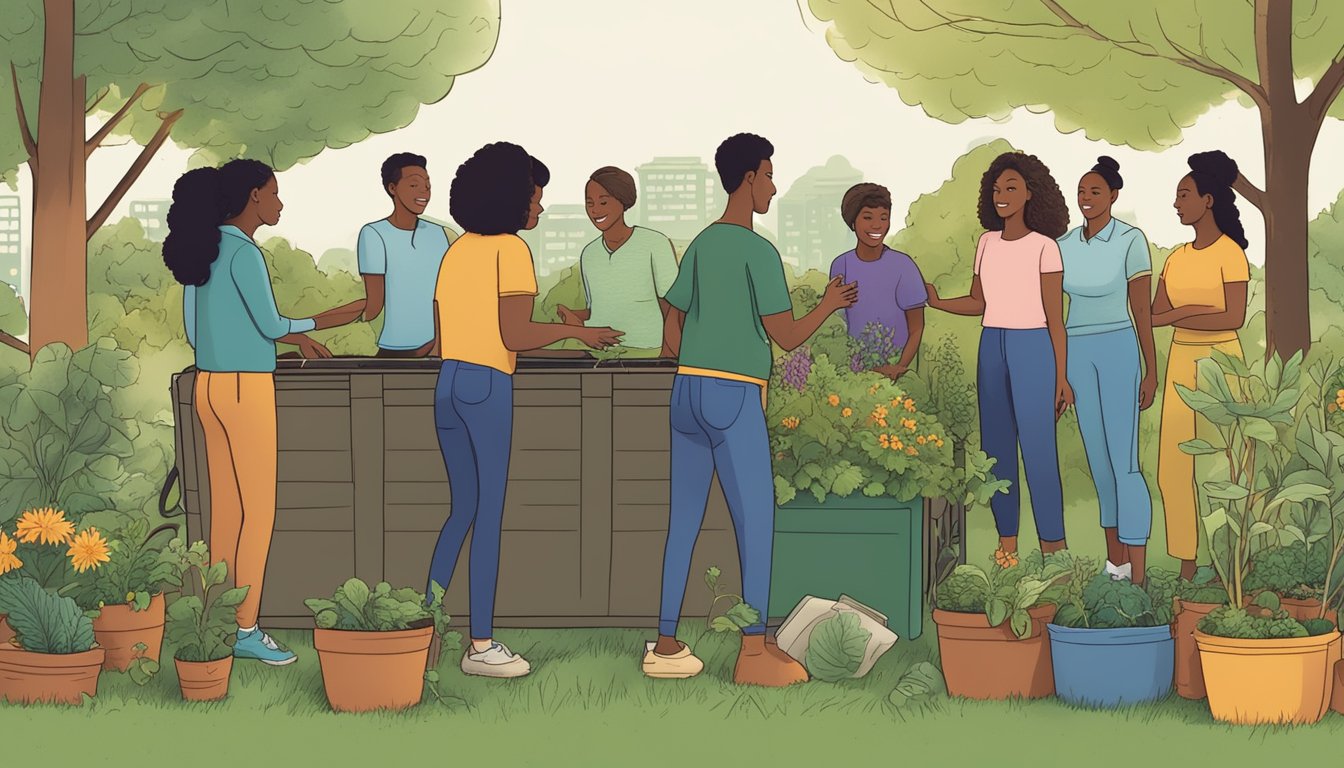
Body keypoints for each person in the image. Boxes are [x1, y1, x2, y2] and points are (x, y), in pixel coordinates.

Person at [645, 133, 857, 686]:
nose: (772, 185)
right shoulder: (756, 250)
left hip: (686, 391)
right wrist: (830, 305)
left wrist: (693, 349)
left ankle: (665, 643)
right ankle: (754, 654)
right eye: (767, 174)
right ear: (747, 178)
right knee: (756, 521)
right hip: (732, 393)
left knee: (683, 520)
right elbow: (785, 337)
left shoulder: (700, 244)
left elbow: (672, 318)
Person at [425, 143, 622, 678]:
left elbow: (442, 337)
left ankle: (425, 628)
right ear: (512, 199)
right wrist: (576, 332)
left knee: (460, 510)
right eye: (535, 199)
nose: (538, 209)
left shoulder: (456, 250)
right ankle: (481, 644)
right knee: (488, 514)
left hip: (448, 384)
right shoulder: (509, 251)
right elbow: (514, 333)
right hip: (488, 385)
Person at [166, 159, 361, 666]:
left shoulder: (202, 250)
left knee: (225, 514)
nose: (279, 203)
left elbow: (194, 329)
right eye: (274, 194)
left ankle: (218, 620)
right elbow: (272, 324)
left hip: (207, 387)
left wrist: (277, 336)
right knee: (259, 513)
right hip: (246, 390)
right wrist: (324, 320)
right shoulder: (244, 253)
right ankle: (247, 627)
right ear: (253, 196)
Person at [925, 151, 1072, 560]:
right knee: (996, 452)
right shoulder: (986, 242)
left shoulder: (1045, 247)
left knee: (1039, 450)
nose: (1001, 195)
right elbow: (978, 302)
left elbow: (1055, 319)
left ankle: (1053, 551)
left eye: (1011, 188)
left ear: (1030, 193)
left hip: (1033, 347)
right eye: (996, 189)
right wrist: (938, 303)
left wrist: (1062, 376)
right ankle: (1006, 547)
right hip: (992, 346)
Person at [1058, 156, 1158, 585]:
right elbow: (1052, 310)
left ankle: (1138, 572)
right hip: (1078, 350)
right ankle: (1114, 564)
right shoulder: (1062, 245)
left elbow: (1141, 308)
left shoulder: (1131, 240)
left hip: (1119, 347)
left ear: (1113, 196)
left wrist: (1151, 369)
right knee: (1099, 461)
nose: (1086, 198)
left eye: (1095, 191)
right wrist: (1059, 371)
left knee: (1125, 462)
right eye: (1081, 191)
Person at [1153, 150, 1251, 580]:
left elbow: (1233, 317)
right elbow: (1154, 315)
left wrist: (1179, 312)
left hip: (1222, 363)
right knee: (1173, 465)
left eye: (1184, 195)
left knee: (1226, 463)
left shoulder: (1230, 254)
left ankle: (1232, 561)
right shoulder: (1175, 257)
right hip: (1180, 360)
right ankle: (1187, 564)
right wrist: (1184, 314)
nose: (1177, 204)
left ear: (1208, 200)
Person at [557, 166, 680, 354]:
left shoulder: (654, 243)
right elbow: (597, 309)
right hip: (599, 353)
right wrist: (573, 317)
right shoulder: (589, 253)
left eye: (603, 203)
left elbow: (673, 306)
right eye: (589, 204)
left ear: (623, 201)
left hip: (648, 352)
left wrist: (669, 353)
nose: (595, 210)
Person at [357, 153, 453, 358]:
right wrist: (309, 323)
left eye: (427, 185)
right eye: (414, 185)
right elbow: (372, 306)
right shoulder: (374, 234)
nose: (424, 192)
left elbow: (451, 296)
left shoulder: (442, 235)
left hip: (440, 351)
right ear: (392, 188)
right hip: (396, 352)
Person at [828, 183, 926, 379]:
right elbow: (838, 323)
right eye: (867, 217)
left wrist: (898, 368)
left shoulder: (903, 266)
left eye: (884, 217)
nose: (877, 225)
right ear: (852, 221)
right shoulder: (841, 266)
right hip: (855, 374)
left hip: (897, 371)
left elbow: (916, 327)